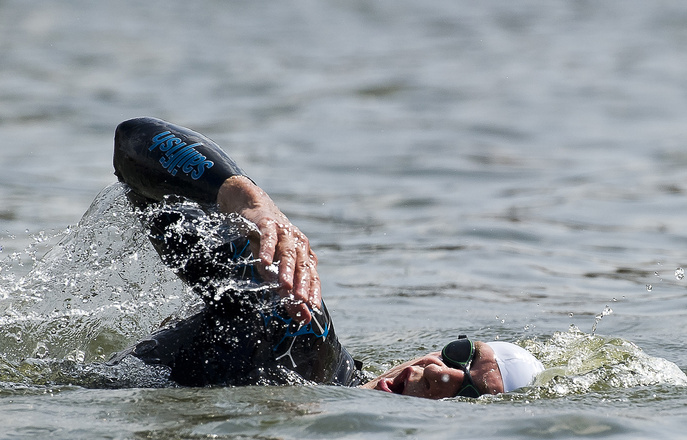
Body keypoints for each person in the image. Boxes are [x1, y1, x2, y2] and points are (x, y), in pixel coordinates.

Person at [106, 117, 543, 398]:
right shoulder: (300, 330)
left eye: (467, 395)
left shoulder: (316, 387)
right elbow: (134, 140)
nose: (440, 375)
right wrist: (248, 201)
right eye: (459, 354)